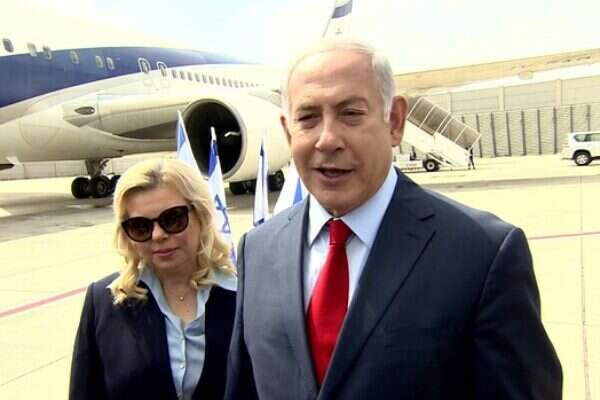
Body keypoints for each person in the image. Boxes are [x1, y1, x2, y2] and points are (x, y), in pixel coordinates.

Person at [226, 39, 562, 399]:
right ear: (287, 130)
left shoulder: (483, 254)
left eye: (350, 113)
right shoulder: (257, 250)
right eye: (308, 118)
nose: (327, 139)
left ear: (395, 122)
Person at [70, 158, 236, 400]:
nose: (158, 235)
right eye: (140, 226)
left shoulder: (244, 297)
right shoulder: (104, 302)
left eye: (173, 219)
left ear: (201, 215)